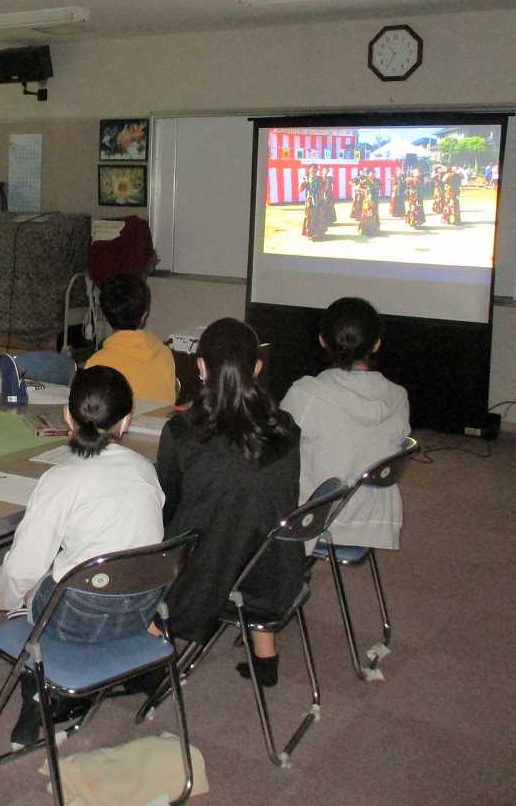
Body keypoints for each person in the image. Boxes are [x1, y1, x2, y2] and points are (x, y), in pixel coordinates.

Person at [0, 365, 164, 744]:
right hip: (140, 608)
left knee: (25, 592)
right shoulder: (146, 471)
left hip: (75, 619)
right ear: (127, 421)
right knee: (75, 569)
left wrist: (5, 597)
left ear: (67, 416)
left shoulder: (60, 480)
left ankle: (34, 699)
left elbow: (24, 567)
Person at [156, 318, 304, 688]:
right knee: (249, 517)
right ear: (256, 368)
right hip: (275, 571)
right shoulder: (286, 428)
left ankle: (149, 651)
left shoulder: (181, 432)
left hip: (204, 577)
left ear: (201, 367)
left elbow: (166, 508)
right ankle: (265, 656)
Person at [281, 298, 410, 551]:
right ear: (376, 343)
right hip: (372, 521)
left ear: (321, 340)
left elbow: (274, 446)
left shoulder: (307, 393)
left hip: (313, 521)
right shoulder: (398, 396)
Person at [85, 275, 177, 405]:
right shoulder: (165, 353)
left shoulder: (97, 362)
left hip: (122, 425)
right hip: (160, 425)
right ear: (144, 316)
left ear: (106, 317)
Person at [357, 169, 381, 236]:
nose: (373, 174)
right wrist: (364, 191)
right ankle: (365, 230)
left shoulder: (377, 181)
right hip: (367, 201)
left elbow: (380, 187)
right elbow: (357, 187)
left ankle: (374, 230)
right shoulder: (365, 181)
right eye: (371, 173)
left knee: (374, 214)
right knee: (366, 215)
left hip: (375, 200)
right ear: (368, 174)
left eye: (374, 173)